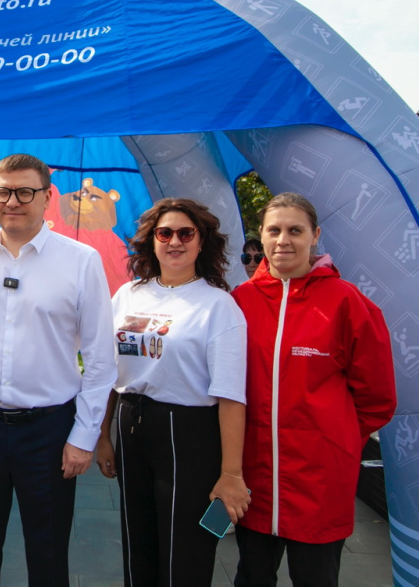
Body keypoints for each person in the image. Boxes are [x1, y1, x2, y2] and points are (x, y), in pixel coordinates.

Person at [0, 153, 117, 587]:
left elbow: (100, 359)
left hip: (49, 432)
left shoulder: (81, 261)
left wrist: (84, 436)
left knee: (48, 553)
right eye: (3, 192)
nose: (13, 201)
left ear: (47, 197)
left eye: (25, 192)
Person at [231, 192, 396, 587]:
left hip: (320, 483)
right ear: (261, 235)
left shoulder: (346, 302)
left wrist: (334, 439)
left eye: (295, 230)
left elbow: (377, 399)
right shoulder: (240, 301)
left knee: (315, 579)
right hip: (253, 478)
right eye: (274, 230)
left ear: (315, 235)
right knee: (252, 577)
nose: (283, 240)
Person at [95, 197, 251, 587]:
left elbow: (232, 396)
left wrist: (231, 474)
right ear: (152, 240)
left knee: (186, 550)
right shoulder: (128, 294)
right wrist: (102, 436)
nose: (175, 241)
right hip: (131, 423)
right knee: (138, 541)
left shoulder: (219, 305)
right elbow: (108, 372)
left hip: (189, 433)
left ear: (202, 241)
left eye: (186, 233)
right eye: (165, 233)